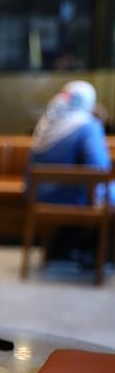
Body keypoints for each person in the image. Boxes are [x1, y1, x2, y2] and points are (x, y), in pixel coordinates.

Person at [29, 80, 114, 264]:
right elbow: (101, 168)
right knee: (109, 195)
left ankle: (63, 248)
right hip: (74, 200)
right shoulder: (88, 126)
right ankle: (97, 253)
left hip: (38, 197)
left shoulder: (45, 125)